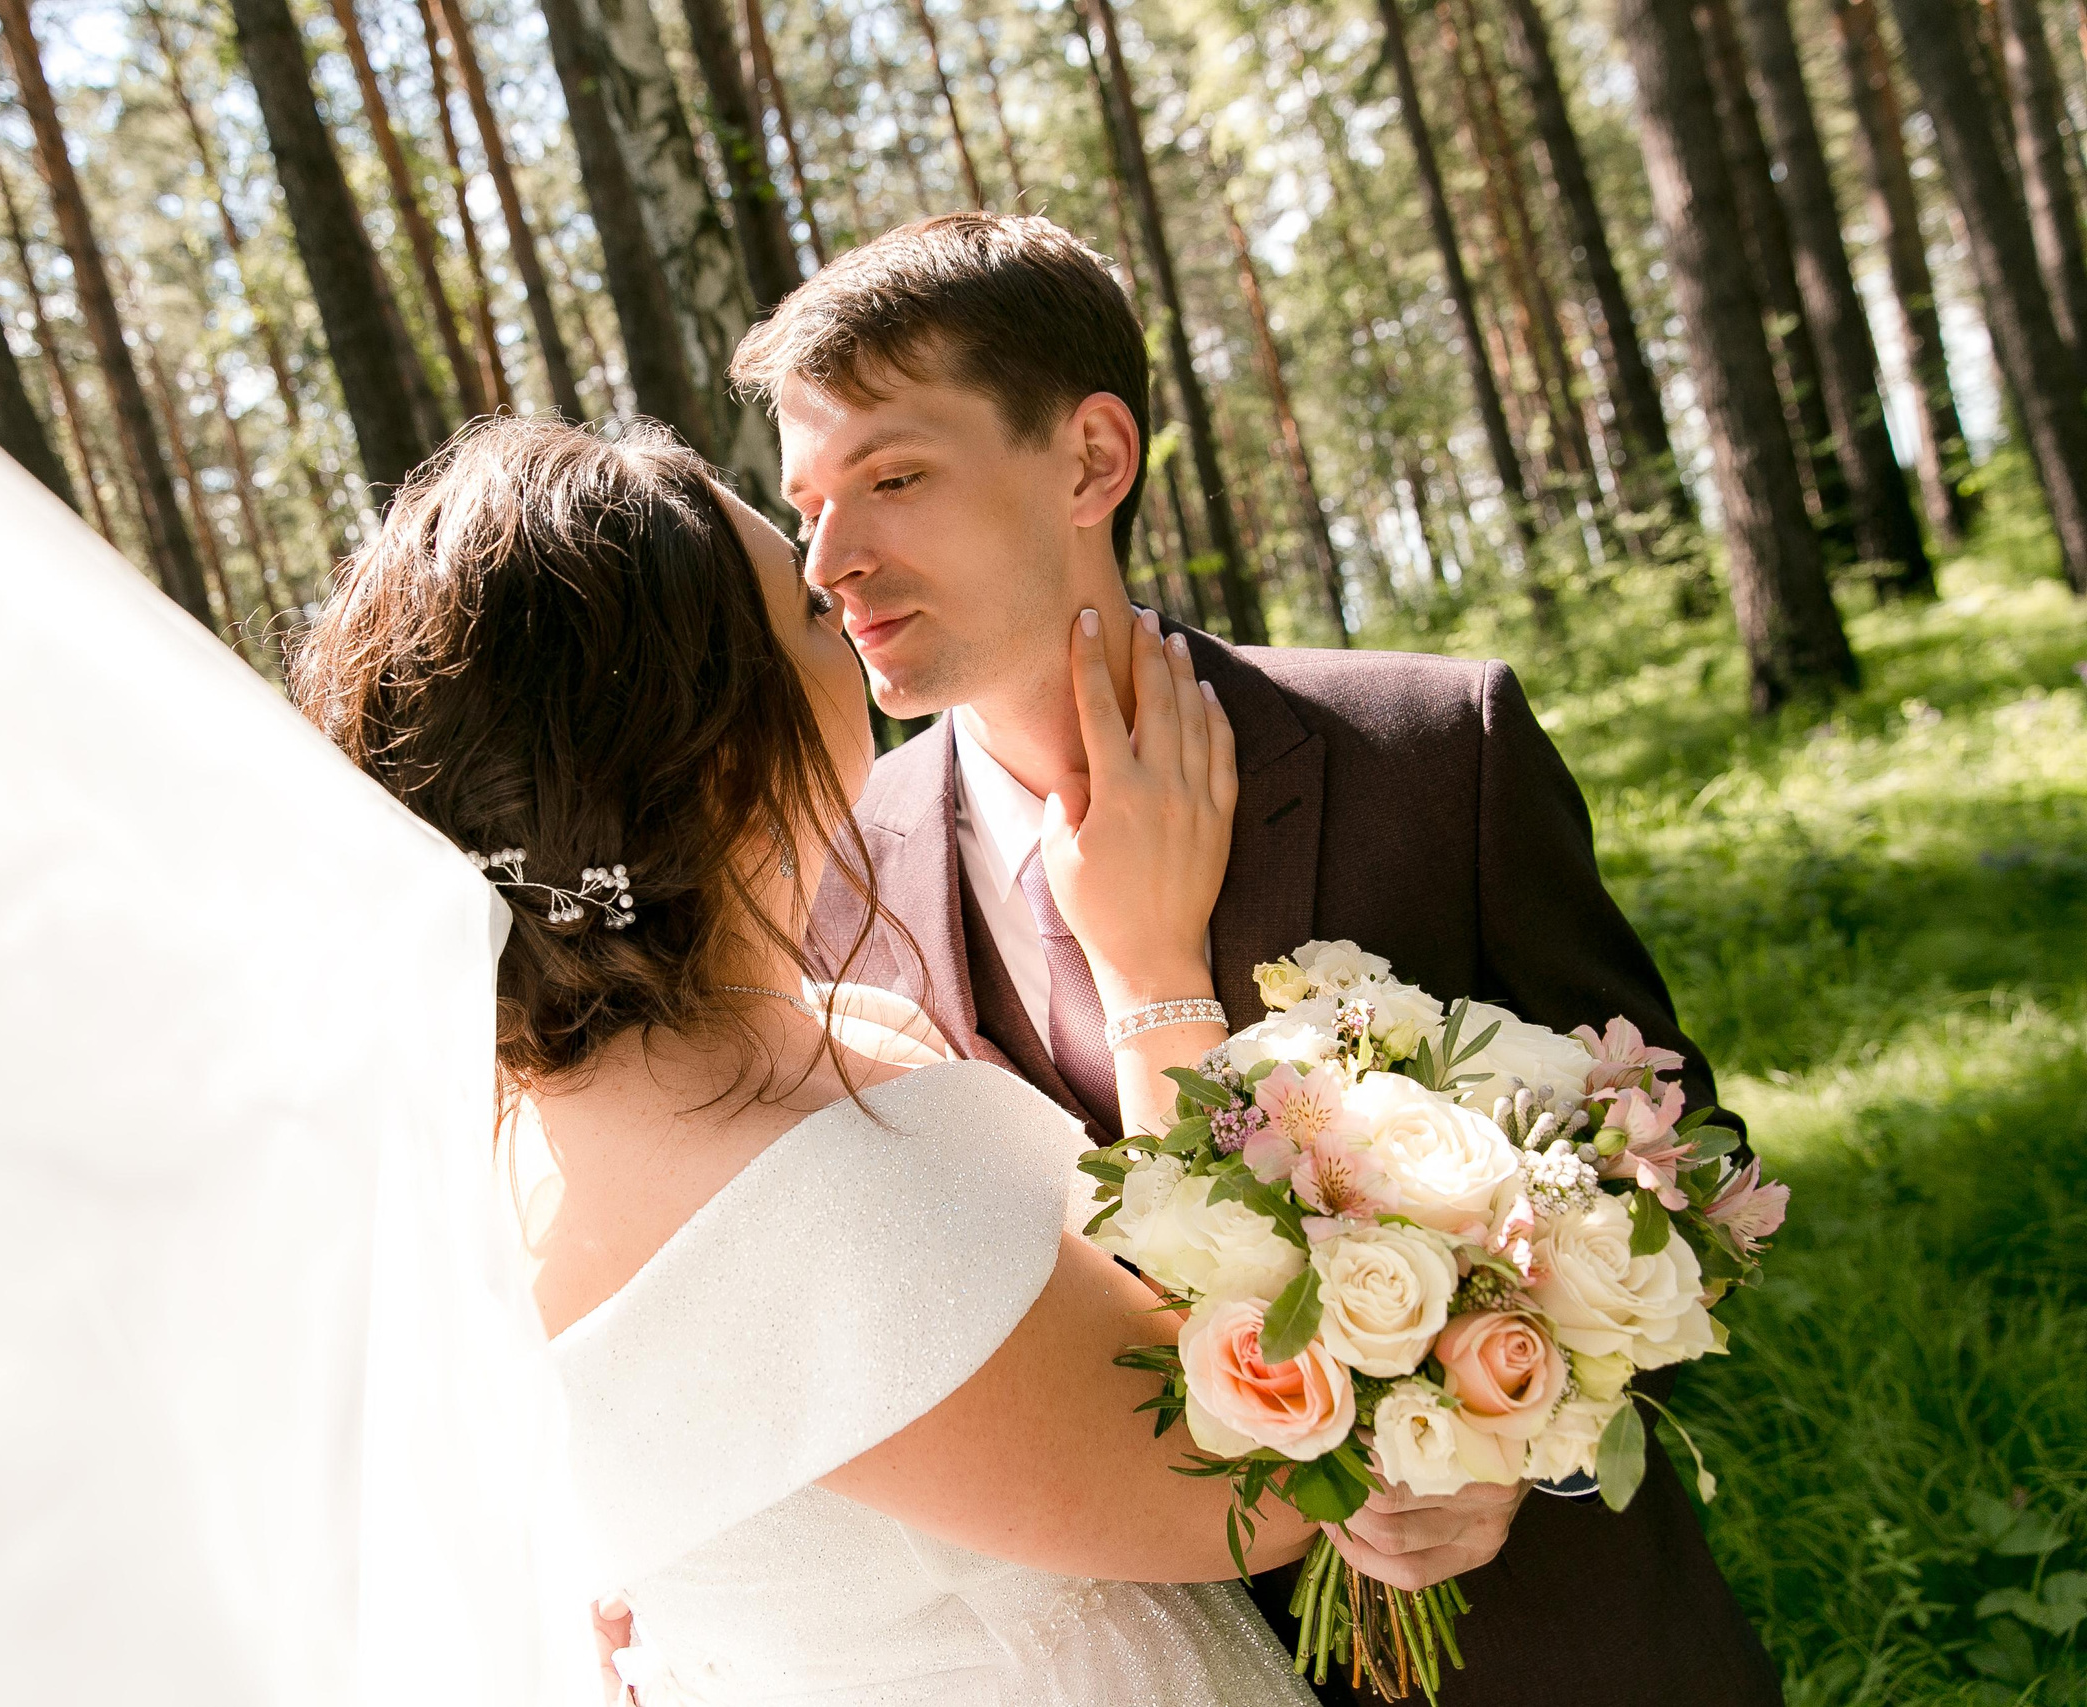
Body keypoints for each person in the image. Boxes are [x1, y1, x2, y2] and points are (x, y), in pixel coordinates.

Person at [293, 417, 1519, 1705]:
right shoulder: (823, 1203)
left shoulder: (510, 1138)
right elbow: (1267, 1485)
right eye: (812, 614)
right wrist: (1151, 970)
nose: (849, 598)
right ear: (726, 757)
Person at [735, 212, 1782, 1707]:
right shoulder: (826, 890)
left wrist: (1522, 1443)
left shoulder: (1432, 754)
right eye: (808, 504)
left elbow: (1689, 1173)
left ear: (1092, 460)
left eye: (894, 477)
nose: (833, 560)